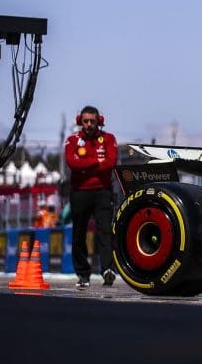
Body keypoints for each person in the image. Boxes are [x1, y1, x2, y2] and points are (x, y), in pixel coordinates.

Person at [64, 105, 118, 288]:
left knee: (105, 231)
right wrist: (96, 162)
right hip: (79, 192)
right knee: (79, 233)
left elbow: (111, 163)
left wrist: (86, 165)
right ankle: (83, 274)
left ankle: (108, 270)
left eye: (92, 121)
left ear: (99, 121)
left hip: (103, 192)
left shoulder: (109, 139)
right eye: (85, 121)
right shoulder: (72, 140)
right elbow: (73, 163)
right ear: (80, 121)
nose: (89, 125)